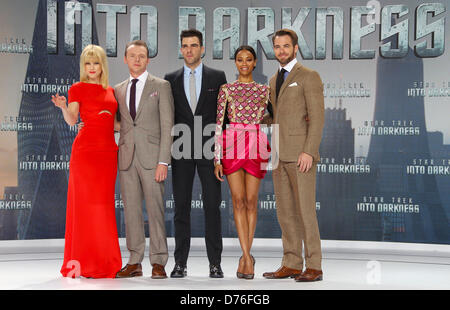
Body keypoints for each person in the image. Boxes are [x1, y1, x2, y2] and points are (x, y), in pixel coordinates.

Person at [53, 44, 122, 278]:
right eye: (87, 63)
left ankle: (104, 262)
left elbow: (116, 123)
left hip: (108, 154)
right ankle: (83, 263)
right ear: (83, 67)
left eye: (96, 63)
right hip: (85, 154)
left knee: (103, 208)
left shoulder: (111, 91)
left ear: (103, 65)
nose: (92, 68)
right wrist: (63, 107)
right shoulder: (77, 89)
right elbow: (72, 120)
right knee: (84, 208)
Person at [262, 29, 325, 282]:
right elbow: (274, 117)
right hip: (279, 154)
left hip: (301, 155)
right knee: (285, 213)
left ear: (296, 48)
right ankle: (291, 262)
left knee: (305, 212)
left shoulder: (309, 76)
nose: (281, 51)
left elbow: (318, 118)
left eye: (286, 46)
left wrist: (309, 151)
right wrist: (253, 116)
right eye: (277, 47)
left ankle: (314, 266)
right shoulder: (272, 79)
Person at [164, 29, 227, 278]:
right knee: (181, 209)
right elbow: (168, 116)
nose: (189, 50)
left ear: (203, 48)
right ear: (181, 49)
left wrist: (221, 154)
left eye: (194, 45)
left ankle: (215, 264)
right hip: (180, 152)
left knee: (212, 208)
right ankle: (180, 263)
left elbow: (224, 118)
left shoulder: (217, 76)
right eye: (185, 46)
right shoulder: (170, 78)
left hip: (210, 153)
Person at [114, 40, 174, 279]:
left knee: (156, 210)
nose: (137, 60)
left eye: (142, 56)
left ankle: (158, 262)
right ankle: (135, 260)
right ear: (125, 59)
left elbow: (167, 125)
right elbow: (122, 123)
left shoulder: (161, 86)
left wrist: (163, 161)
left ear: (148, 60)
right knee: (131, 212)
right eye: (132, 56)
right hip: (126, 157)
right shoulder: (118, 89)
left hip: (152, 159)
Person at [213, 46, 270, 280]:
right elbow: (219, 123)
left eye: (248, 59)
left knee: (251, 201)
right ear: (235, 63)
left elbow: (275, 115)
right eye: (239, 59)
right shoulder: (226, 89)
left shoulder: (264, 90)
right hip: (232, 144)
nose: (244, 63)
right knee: (237, 201)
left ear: (255, 62)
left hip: (256, 142)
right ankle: (246, 256)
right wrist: (217, 158)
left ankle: (247, 256)